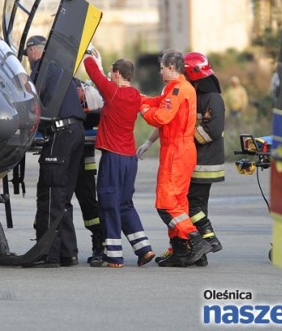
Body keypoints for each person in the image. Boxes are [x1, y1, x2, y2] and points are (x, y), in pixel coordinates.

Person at [138, 52, 225, 266]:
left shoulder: (178, 89)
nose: (159, 71)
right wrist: (136, 97)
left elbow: (161, 116)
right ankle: (180, 250)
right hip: (179, 150)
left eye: (161, 67)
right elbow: (158, 101)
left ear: (170, 66)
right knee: (178, 203)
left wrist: (142, 110)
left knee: (166, 204)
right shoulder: (177, 88)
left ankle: (195, 240)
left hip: (176, 151)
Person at [83, 51, 155, 268]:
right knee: (125, 204)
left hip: (113, 157)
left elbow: (91, 71)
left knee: (108, 203)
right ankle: (144, 249)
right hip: (129, 158)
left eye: (112, 72)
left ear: (116, 73)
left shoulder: (112, 92)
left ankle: (114, 255)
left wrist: (90, 55)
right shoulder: (135, 95)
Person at [23, 35, 85, 268]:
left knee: (50, 193)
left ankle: (48, 253)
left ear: (33, 51)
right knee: (62, 196)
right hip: (75, 131)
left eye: (28, 53)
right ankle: (68, 253)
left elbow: (28, 103)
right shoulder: (60, 69)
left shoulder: (41, 71)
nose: (27, 59)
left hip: (60, 134)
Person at [74, 79, 106, 267]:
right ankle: (63, 247)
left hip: (84, 166)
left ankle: (100, 242)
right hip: (65, 164)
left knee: (89, 207)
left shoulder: (94, 110)